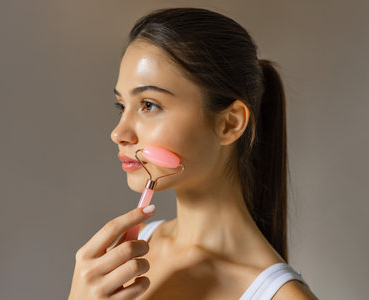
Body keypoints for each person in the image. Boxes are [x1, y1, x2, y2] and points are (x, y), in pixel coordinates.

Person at [68, 7, 318, 300]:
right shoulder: (126, 259)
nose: (119, 133)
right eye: (122, 106)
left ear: (230, 123)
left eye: (149, 105)